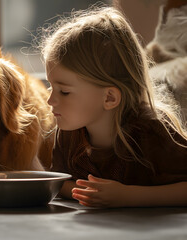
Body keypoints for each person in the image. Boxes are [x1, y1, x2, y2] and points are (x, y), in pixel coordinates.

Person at [41, 6, 187, 208]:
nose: (50, 100)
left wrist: (127, 196)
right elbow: (60, 182)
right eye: (51, 86)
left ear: (109, 97)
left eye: (64, 91)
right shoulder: (68, 132)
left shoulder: (152, 131)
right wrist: (90, 193)